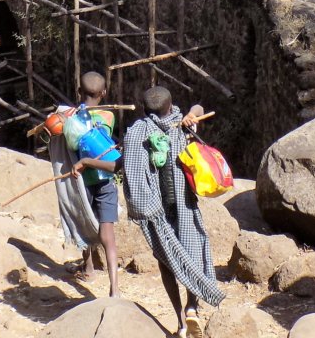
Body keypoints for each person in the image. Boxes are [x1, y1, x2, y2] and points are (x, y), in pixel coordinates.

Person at [122, 86, 224, 338]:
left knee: (165, 258)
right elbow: (200, 107)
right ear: (171, 106)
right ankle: (192, 307)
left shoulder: (138, 133)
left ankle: (179, 317)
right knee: (193, 247)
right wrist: (191, 113)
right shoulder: (183, 125)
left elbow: (128, 168)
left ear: (145, 110)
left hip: (157, 208)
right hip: (184, 202)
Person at [68, 72, 121, 297]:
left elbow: (71, 145)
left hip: (84, 181)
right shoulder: (108, 117)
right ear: (104, 93)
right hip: (106, 180)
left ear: (79, 92)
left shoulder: (72, 118)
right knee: (107, 235)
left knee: (85, 223)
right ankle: (115, 288)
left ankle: (89, 268)